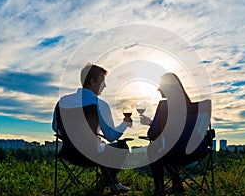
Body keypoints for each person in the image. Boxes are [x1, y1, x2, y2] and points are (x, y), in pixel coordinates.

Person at [52, 63, 131, 192]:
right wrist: (125, 124)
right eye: (102, 82)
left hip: (69, 154)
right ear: (92, 81)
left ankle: (113, 183)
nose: (105, 86)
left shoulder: (62, 102)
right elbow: (111, 136)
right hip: (91, 156)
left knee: (100, 146)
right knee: (121, 147)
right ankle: (106, 183)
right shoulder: (99, 104)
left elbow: (56, 128)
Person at [140, 72, 192, 195]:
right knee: (165, 149)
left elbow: (152, 134)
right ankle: (177, 183)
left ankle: (159, 189)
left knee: (152, 149)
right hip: (193, 151)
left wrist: (151, 125)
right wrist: (152, 123)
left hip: (174, 153)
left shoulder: (164, 106)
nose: (158, 89)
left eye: (160, 86)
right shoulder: (190, 106)